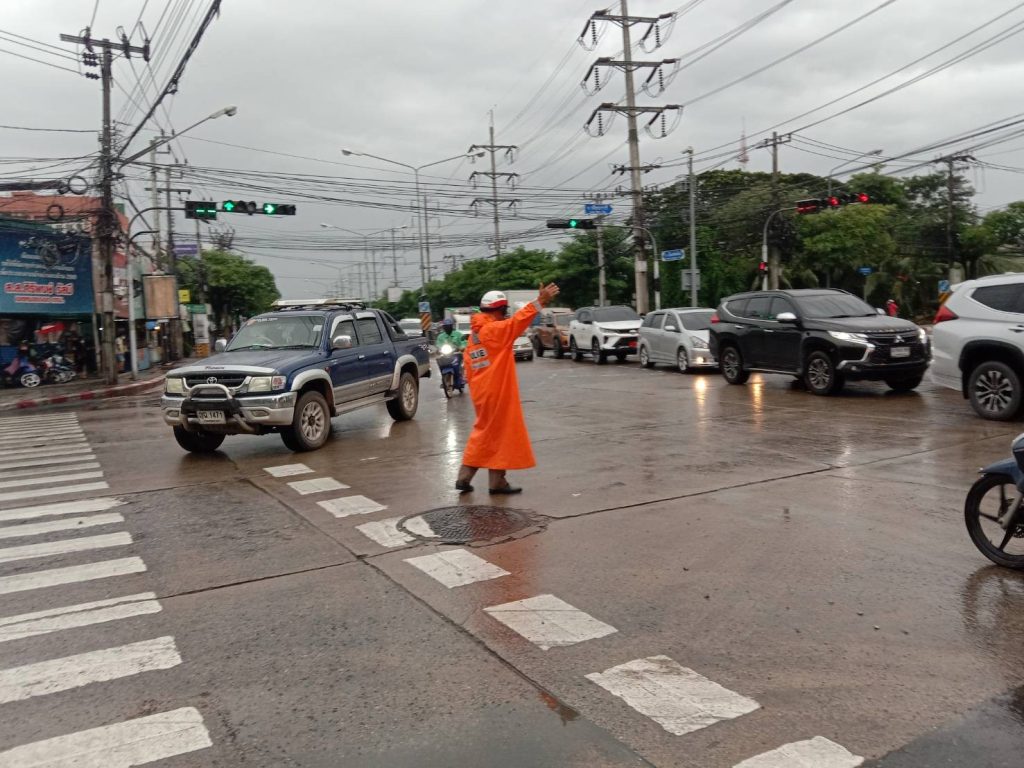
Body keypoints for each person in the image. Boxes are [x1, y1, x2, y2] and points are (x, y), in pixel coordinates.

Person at [456, 283, 560, 495]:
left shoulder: (474, 336)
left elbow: (469, 367)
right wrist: (540, 302)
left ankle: (489, 481)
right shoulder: (494, 330)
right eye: (504, 312)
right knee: (496, 434)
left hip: (481, 393)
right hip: (497, 392)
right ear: (500, 310)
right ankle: (474, 478)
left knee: (490, 433)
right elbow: (518, 321)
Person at [436, 318, 468, 389]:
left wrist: (461, 347)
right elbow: (438, 344)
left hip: (456, 353)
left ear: (451, 326)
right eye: (445, 326)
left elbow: (463, 342)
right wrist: (438, 349)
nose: (447, 328)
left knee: (459, 365)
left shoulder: (458, 334)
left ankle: (461, 378)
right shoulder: (440, 336)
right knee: (439, 361)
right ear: (443, 327)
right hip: (445, 354)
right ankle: (444, 379)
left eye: (449, 326)